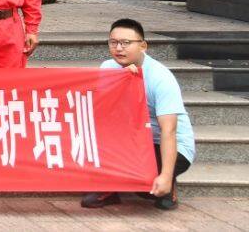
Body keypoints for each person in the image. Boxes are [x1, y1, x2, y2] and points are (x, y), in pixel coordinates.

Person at [82, 19, 196, 211]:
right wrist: (121, 81)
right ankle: (111, 188)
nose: (119, 48)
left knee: (146, 186)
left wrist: (165, 176)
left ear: (143, 46)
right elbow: (103, 111)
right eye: (113, 42)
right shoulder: (108, 68)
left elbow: (169, 130)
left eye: (126, 43)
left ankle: (168, 185)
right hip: (131, 140)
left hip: (166, 143)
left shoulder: (161, 77)